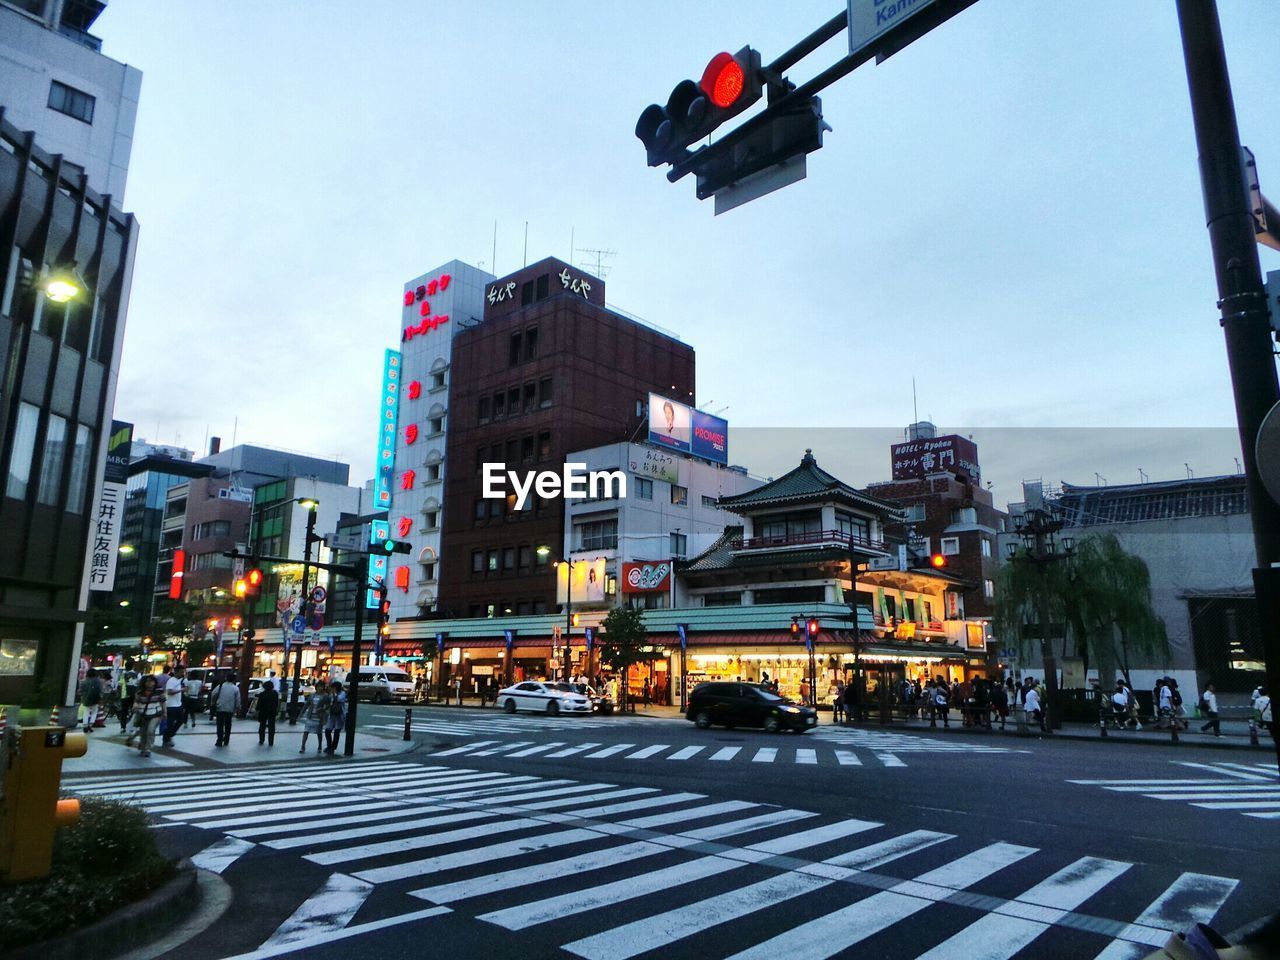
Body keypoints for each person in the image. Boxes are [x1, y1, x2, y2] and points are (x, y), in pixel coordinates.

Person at [126, 675, 165, 757]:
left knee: (150, 731)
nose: (149, 683)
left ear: (155, 682)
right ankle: (143, 748)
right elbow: (136, 702)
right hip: (143, 715)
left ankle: (148, 749)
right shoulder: (140, 693)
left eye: (151, 681)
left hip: (156, 714)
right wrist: (135, 706)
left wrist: (165, 713)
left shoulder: (159, 691)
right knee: (143, 732)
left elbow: (163, 702)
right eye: (147, 681)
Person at [210, 673, 240, 747]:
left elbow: (213, 694)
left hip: (220, 707)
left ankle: (219, 740)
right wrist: (237, 708)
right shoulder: (235, 688)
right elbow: (238, 700)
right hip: (230, 709)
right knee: (228, 724)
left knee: (220, 725)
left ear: (226, 678)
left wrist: (213, 702)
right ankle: (226, 739)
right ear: (234, 679)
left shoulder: (220, 686)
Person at [299, 685, 331, 754]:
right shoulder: (312, 696)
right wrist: (302, 713)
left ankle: (319, 745)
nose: (320, 688)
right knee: (306, 731)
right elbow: (307, 704)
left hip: (319, 716)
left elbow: (328, 705)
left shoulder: (325, 696)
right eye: (319, 686)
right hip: (310, 715)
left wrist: (323, 709)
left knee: (319, 732)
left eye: (321, 686)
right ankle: (303, 746)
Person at [162, 665, 186, 748]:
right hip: (171, 705)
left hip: (178, 704)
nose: (182, 673)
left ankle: (170, 735)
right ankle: (166, 739)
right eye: (181, 672)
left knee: (181, 720)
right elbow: (169, 691)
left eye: (183, 672)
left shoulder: (178, 681)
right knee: (170, 723)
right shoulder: (171, 680)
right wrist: (181, 690)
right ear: (176, 672)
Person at [324, 681, 346, 754]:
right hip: (332, 714)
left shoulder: (342, 694)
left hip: (339, 715)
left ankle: (333, 747)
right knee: (327, 730)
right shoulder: (332, 694)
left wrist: (334, 694)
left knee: (337, 731)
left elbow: (338, 699)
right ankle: (329, 746)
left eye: (333, 688)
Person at [80, 669, 103, 733]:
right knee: (94, 712)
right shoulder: (98, 681)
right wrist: (101, 698)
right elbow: (100, 690)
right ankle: (90, 725)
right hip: (95, 699)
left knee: (86, 712)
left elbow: (81, 690)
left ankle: (85, 725)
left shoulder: (84, 681)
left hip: (86, 699)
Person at [257, 680, 279, 746]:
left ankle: (261, 740)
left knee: (262, 726)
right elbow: (276, 703)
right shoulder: (275, 694)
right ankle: (271, 741)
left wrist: (257, 709)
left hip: (263, 712)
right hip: (272, 712)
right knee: (272, 727)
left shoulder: (262, 694)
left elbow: (259, 704)